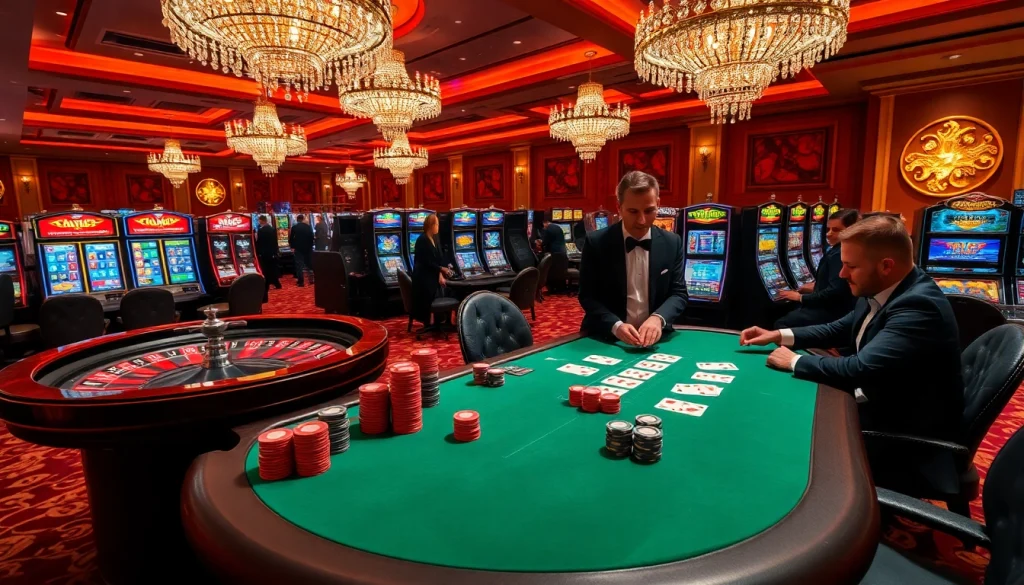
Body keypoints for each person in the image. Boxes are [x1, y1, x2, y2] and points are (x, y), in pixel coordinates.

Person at [739, 215, 963, 440]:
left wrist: (794, 361)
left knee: (784, 425)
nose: (842, 274)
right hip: (880, 402)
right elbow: (836, 329)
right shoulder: (884, 288)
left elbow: (861, 369)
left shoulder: (918, 306)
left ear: (886, 266)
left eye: (851, 266)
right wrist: (777, 335)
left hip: (901, 429)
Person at [578, 171, 688, 347]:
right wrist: (616, 325)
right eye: (633, 211)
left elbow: (679, 293)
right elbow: (587, 296)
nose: (642, 220)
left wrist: (658, 319)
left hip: (656, 341)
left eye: (649, 210)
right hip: (606, 338)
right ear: (618, 207)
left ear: (658, 204)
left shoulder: (672, 242)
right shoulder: (596, 242)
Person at [775, 208, 860, 329]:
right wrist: (816, 287)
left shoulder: (840, 254)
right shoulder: (839, 249)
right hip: (836, 308)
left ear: (850, 231)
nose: (828, 233)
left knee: (782, 322)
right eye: (828, 229)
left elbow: (835, 292)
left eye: (836, 230)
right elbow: (838, 286)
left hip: (831, 312)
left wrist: (800, 297)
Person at [411, 214, 455, 327]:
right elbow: (426, 262)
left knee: (450, 288)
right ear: (431, 225)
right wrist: (441, 270)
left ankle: (445, 321)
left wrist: (441, 272)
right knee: (445, 287)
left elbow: (438, 260)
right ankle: (435, 321)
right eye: (437, 224)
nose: (438, 227)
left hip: (431, 275)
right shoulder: (422, 240)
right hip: (423, 280)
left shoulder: (434, 238)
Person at [256, 215, 281, 302]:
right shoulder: (272, 229)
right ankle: (276, 283)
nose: (258, 222)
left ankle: (267, 286)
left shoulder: (261, 230)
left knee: (265, 270)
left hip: (264, 253)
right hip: (272, 253)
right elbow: (275, 241)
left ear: (262, 220)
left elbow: (259, 243)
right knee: (273, 269)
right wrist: (275, 251)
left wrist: (257, 252)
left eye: (259, 220)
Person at [289, 214, 314, 287]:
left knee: (299, 265)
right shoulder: (308, 227)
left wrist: (292, 247)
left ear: (297, 220)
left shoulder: (294, 227)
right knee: (309, 264)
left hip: (298, 248)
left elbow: (291, 239)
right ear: (303, 219)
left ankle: (301, 282)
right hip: (308, 248)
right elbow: (312, 237)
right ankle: (311, 280)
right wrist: (311, 246)